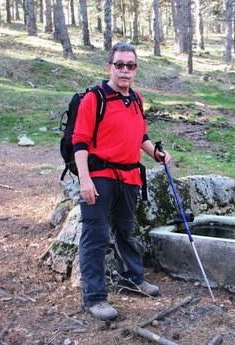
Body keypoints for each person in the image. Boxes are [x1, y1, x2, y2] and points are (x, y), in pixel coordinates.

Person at [72, 42, 171, 321]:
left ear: (136, 69)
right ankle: (94, 297)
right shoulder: (94, 98)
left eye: (130, 65)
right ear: (109, 67)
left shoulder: (136, 98)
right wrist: (85, 180)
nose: (125, 70)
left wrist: (155, 154)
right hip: (100, 176)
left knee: (126, 230)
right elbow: (79, 141)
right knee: (96, 235)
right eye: (119, 65)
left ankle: (131, 279)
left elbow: (141, 135)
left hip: (129, 177)